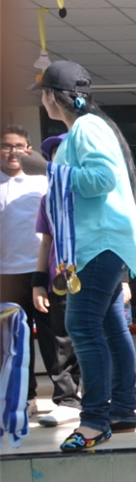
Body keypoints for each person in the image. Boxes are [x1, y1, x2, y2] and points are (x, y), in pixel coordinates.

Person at [18, 61, 136, 452]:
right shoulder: (89, 128)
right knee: (110, 327)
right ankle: (122, 411)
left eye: (43, 94)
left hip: (100, 243)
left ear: (52, 97)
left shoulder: (87, 128)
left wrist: (47, 168)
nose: (42, 101)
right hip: (105, 242)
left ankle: (93, 422)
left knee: (82, 326)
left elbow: (101, 180)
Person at [31, 134, 136, 428]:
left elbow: (113, 233)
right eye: (53, 155)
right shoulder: (50, 199)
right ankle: (72, 401)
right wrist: (39, 281)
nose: (58, 159)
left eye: (65, 154)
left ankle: (110, 407)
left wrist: (122, 278)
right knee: (67, 337)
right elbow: (46, 242)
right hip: (64, 274)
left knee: (100, 331)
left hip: (96, 269)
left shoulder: (99, 193)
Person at [0, 125, 49, 418]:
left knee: (54, 339)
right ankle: (25, 397)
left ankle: (66, 397)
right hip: (6, 275)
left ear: (28, 149)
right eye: (6, 146)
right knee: (14, 342)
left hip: (41, 271)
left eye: (19, 146)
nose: (13, 152)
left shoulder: (42, 181)